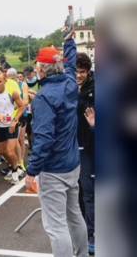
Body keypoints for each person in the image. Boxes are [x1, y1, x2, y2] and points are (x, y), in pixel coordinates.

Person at [25, 33, 89, 257]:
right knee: (74, 215)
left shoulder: (43, 97)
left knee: (56, 226)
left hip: (54, 169)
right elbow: (70, 64)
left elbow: (43, 139)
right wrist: (69, 41)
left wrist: (31, 171)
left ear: (42, 70)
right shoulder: (70, 83)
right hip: (73, 163)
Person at [0, 70, 25, 184]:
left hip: (11, 124)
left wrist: (15, 121)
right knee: (0, 151)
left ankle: (15, 171)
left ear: (5, 81)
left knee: (9, 150)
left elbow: (22, 106)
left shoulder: (12, 92)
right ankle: (14, 166)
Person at [76, 52, 95, 254]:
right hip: (75, 148)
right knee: (79, 193)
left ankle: (92, 235)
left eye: (81, 72)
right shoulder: (72, 88)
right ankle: (82, 232)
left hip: (92, 148)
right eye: (75, 71)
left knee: (90, 194)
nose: (78, 75)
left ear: (88, 72)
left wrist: (94, 126)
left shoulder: (96, 89)